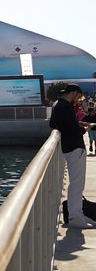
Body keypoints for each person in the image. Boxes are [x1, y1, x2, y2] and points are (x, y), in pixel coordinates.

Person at [51, 84, 94, 228]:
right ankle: (76, 217)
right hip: (75, 147)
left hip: (68, 147)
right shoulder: (66, 107)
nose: (78, 100)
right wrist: (84, 128)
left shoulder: (58, 105)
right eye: (79, 97)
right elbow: (75, 130)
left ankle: (77, 214)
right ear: (74, 93)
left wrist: (78, 124)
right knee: (77, 184)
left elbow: (54, 124)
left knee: (75, 183)